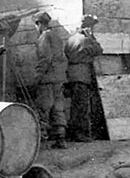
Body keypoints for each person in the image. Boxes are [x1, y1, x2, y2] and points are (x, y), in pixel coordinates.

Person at [64, 14, 104, 142]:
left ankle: (74, 133)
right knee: (81, 106)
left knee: (75, 105)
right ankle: (80, 134)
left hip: (72, 74)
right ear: (88, 27)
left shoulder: (71, 39)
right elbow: (99, 50)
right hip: (82, 75)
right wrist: (91, 37)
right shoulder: (85, 40)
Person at [33, 11, 68, 149]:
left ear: (39, 24)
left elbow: (45, 59)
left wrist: (37, 76)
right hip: (59, 78)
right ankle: (61, 138)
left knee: (43, 108)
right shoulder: (57, 36)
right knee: (58, 108)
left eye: (36, 25)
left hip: (47, 79)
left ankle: (41, 141)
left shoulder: (44, 37)